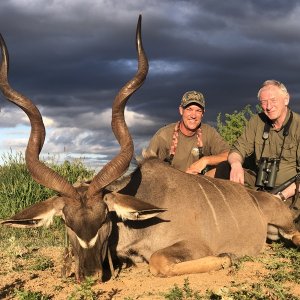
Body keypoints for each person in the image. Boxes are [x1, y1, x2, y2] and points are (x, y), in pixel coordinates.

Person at [217, 80, 300, 208]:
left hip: (290, 193)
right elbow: (237, 149)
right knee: (224, 168)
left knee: (277, 223)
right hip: (259, 186)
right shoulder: (257, 121)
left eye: (273, 100)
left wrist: (280, 196)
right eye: (264, 102)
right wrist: (236, 164)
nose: (268, 106)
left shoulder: (298, 125)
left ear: (286, 99)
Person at [145, 90, 230, 176]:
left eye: (198, 110)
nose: (193, 115)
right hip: (171, 185)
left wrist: (205, 160)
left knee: (229, 169)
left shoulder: (209, 133)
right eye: (189, 109)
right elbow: (146, 167)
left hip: (199, 184)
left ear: (203, 113)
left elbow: (229, 155)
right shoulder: (163, 135)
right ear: (181, 110)